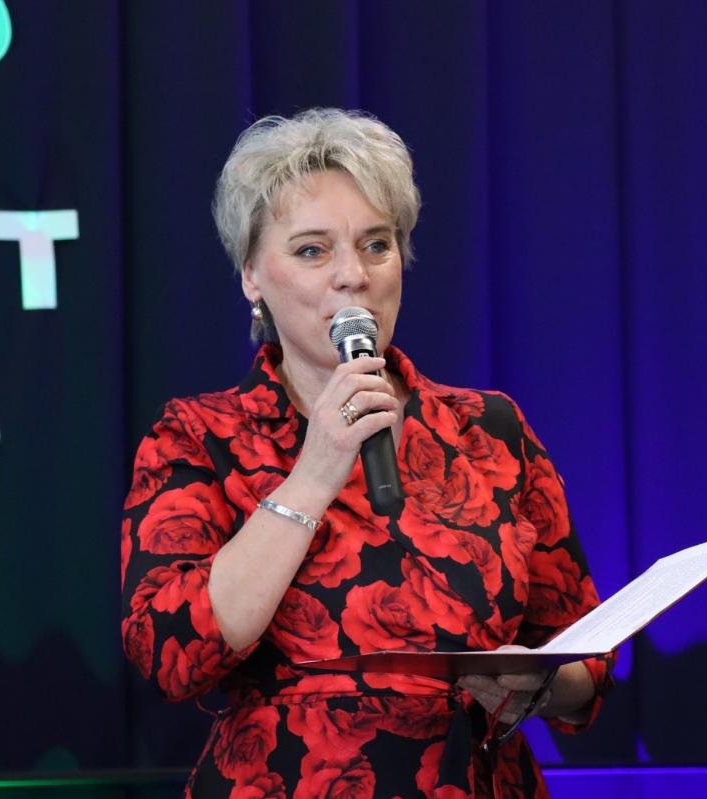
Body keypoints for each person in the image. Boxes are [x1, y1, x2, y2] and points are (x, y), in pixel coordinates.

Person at [120, 108, 615, 798]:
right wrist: (313, 473)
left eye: (376, 244)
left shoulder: (490, 428)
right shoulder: (199, 436)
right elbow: (169, 653)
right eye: (312, 250)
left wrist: (538, 684)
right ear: (252, 275)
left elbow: (583, 656)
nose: (353, 275)